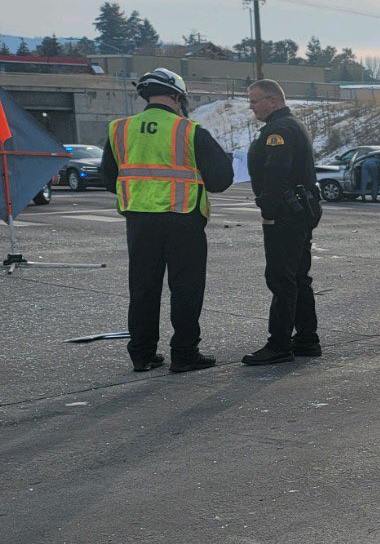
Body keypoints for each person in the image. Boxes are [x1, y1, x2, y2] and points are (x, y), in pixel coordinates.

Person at [100, 68, 234, 373]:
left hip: (139, 221)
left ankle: (142, 354)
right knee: (186, 288)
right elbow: (221, 179)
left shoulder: (119, 129)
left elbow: (109, 177)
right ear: (177, 97)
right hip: (183, 218)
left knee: (143, 289)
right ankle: (185, 353)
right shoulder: (189, 130)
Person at [244, 79, 321, 366]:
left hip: (286, 214)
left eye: (255, 101)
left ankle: (278, 344)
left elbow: (276, 173)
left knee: (281, 278)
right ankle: (306, 339)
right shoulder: (291, 125)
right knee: (298, 276)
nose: (251, 107)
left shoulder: (279, 131)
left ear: (273, 101)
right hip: (300, 210)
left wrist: (268, 209)